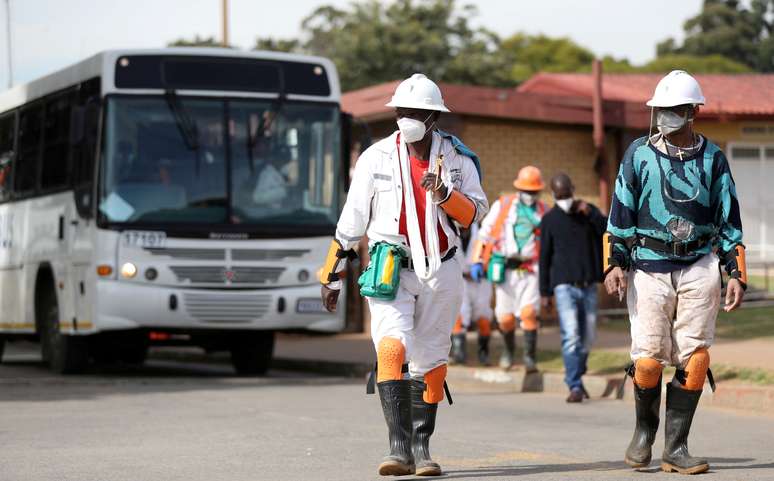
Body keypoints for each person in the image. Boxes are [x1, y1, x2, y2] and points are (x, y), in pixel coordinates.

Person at [319, 73, 488, 477]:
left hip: (441, 267)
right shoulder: (375, 157)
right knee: (392, 349)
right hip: (390, 266)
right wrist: (332, 273)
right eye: (402, 112)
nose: (407, 118)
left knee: (430, 360)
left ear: (434, 118)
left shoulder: (457, 159)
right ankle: (397, 449)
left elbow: (476, 213)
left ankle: (421, 446)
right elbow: (352, 219)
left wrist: (445, 194)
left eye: (416, 112)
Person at [604, 70, 746, 475]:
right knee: (648, 360)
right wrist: (615, 262)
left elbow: (729, 218)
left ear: (691, 112)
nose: (665, 116)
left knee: (696, 358)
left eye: (673, 110)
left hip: (700, 263)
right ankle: (643, 433)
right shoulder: (638, 154)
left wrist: (735, 272)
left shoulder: (713, 158)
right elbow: (620, 212)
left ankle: (677, 446)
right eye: (660, 110)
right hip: (648, 264)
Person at [538, 173, 607, 403]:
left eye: (567, 194)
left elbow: (607, 230)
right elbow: (544, 258)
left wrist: (593, 214)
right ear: (553, 195)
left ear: (573, 189)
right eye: (559, 196)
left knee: (588, 336)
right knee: (571, 335)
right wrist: (544, 293)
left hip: (588, 285)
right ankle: (574, 385)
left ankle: (578, 371)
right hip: (563, 286)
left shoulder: (587, 213)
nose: (564, 199)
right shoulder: (549, 220)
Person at [472, 166, 546, 371]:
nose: (530, 195)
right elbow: (484, 234)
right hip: (505, 270)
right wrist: (478, 260)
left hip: (531, 269)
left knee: (529, 314)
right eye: (526, 191)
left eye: (534, 192)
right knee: (505, 318)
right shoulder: (503, 206)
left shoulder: (543, 211)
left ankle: (530, 358)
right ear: (519, 188)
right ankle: (508, 351)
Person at [450, 222, 493, 365]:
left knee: (483, 317)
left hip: (481, 280)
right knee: (459, 316)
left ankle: (483, 353)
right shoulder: (447, 227)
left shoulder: (482, 228)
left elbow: (492, 247)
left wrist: (484, 264)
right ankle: (459, 353)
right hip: (459, 279)